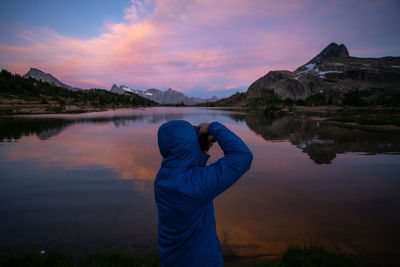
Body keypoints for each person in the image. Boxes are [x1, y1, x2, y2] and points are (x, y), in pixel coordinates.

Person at [154, 120, 253, 267]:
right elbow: (242, 156)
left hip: (171, 260)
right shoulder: (191, 185)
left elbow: (184, 164)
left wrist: (199, 152)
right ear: (190, 147)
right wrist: (214, 127)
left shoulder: (163, 177)